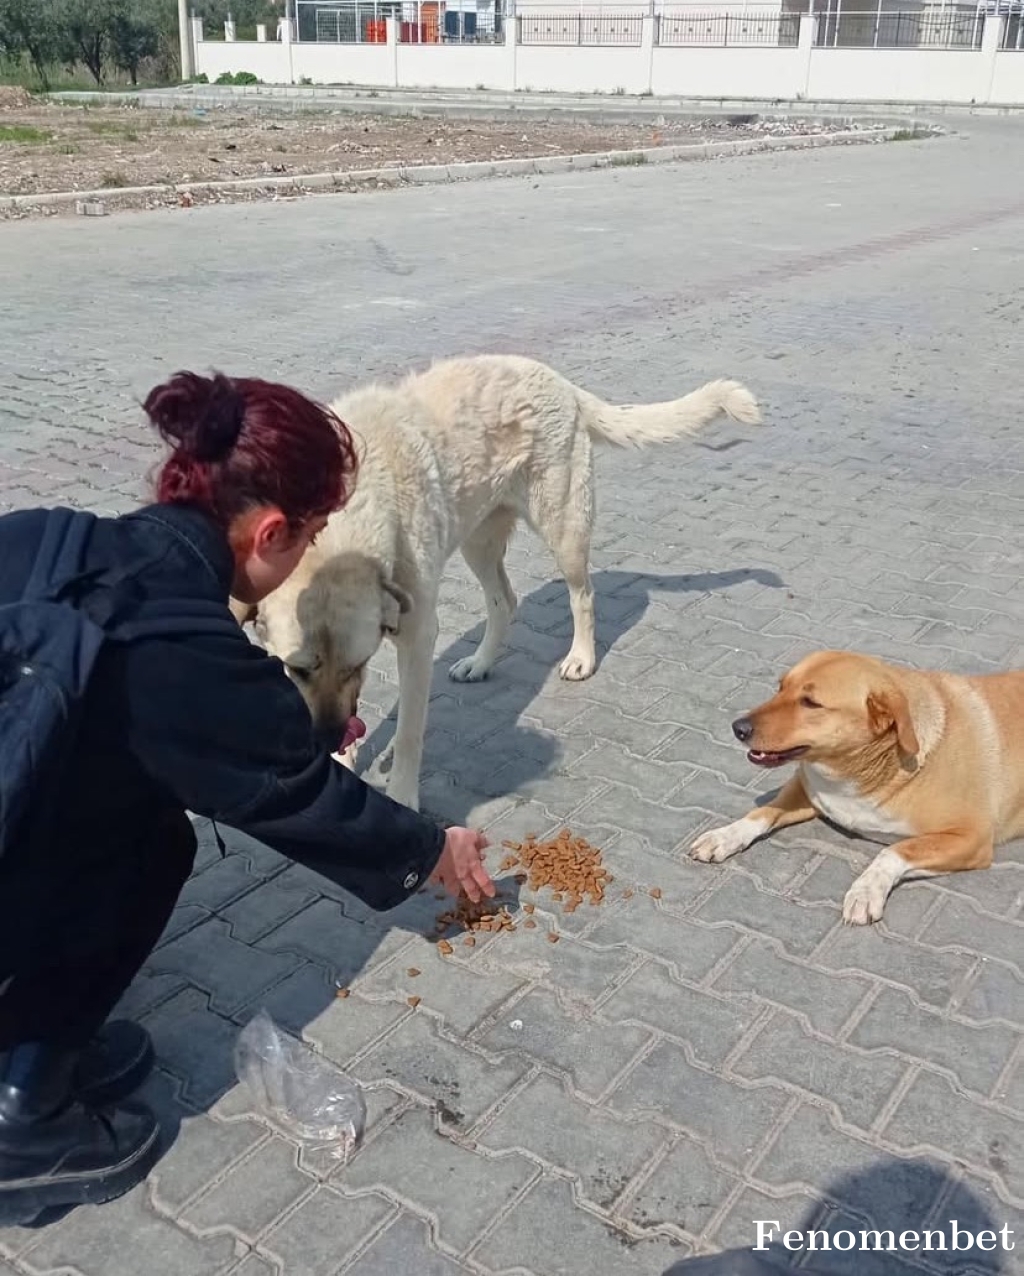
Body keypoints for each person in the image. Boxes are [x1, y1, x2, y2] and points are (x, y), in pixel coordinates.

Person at [0, 371, 495, 1224]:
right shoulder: (180, 644)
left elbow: (184, 726)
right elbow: (292, 793)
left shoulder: (45, 537)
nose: (306, 557)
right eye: (308, 539)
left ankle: (29, 1041)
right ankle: (21, 1123)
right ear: (270, 531)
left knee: (129, 811)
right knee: (150, 850)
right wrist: (429, 849)